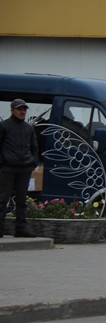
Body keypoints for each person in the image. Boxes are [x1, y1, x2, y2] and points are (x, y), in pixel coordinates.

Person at [0, 99, 39, 238]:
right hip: (8, 168)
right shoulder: (4, 126)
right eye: (19, 109)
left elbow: (35, 147)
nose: (22, 112)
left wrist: (33, 163)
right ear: (12, 110)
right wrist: (2, 163)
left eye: (24, 109)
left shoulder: (29, 128)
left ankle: (21, 229)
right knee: (2, 199)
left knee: (22, 201)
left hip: (25, 169)